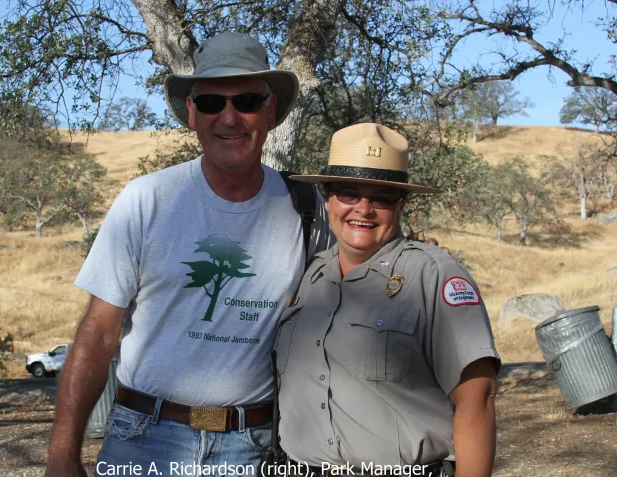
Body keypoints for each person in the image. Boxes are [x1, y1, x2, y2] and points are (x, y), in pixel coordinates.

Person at [44, 32, 333, 477]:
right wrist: (62, 455)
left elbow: (359, 281)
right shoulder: (147, 199)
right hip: (142, 440)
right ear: (193, 114)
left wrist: (416, 259)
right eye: (213, 103)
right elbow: (99, 333)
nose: (230, 117)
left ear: (271, 111)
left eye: (249, 100)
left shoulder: (308, 210)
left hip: (255, 447)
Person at [274, 123, 501, 477]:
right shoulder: (310, 274)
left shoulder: (433, 274)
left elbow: (478, 398)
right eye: (349, 193)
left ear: (401, 204)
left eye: (382, 197)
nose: (363, 210)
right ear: (327, 197)